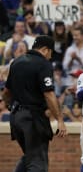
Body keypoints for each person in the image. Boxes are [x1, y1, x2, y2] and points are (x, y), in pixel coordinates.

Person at [3, 35, 67, 171]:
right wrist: (60, 119)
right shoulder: (43, 64)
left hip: (16, 119)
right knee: (37, 163)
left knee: (30, 157)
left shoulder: (16, 62)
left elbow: (6, 92)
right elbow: (49, 94)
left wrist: (10, 107)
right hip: (33, 120)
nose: (50, 56)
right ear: (45, 50)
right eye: (50, 52)